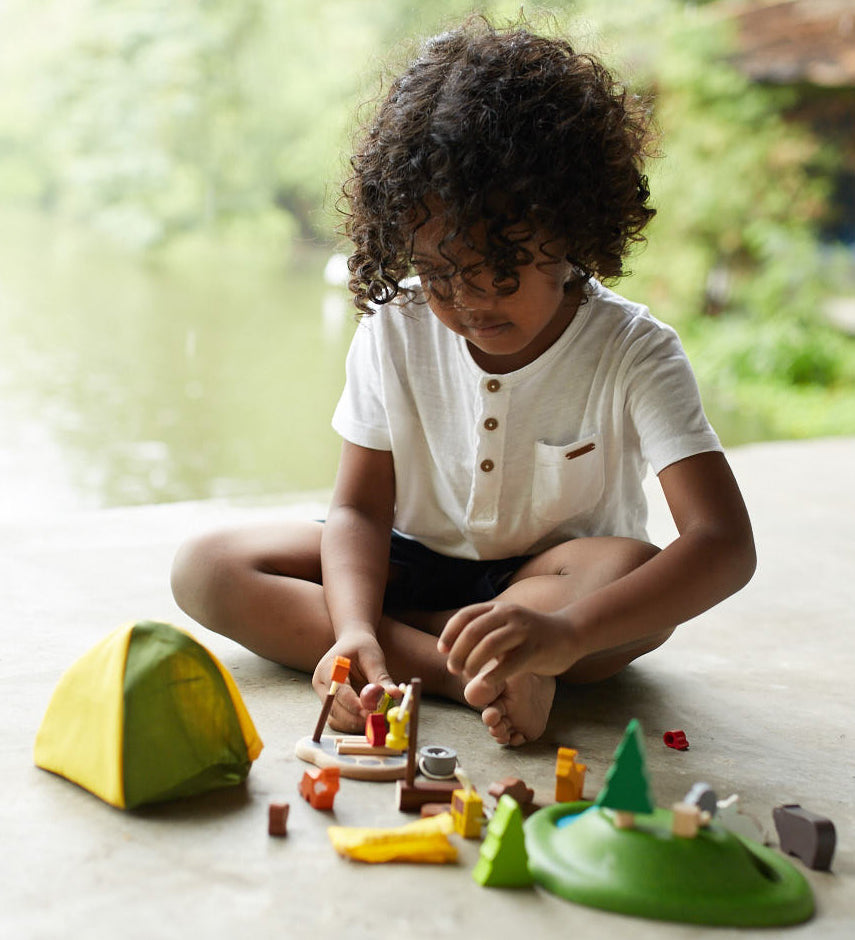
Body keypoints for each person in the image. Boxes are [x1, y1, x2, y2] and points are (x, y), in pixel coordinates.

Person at [170, 18, 756, 747]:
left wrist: (565, 631)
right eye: (442, 275)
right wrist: (352, 626)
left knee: (634, 579)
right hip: (407, 561)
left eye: (498, 273)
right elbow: (356, 513)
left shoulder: (632, 350)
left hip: (551, 584)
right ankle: (461, 668)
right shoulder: (395, 326)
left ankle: (511, 651)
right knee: (207, 569)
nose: (469, 301)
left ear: (570, 229)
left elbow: (722, 543)